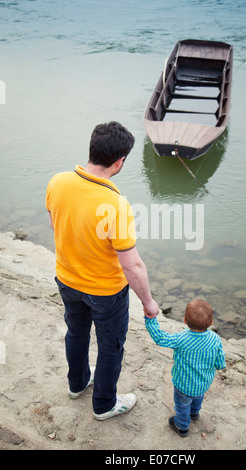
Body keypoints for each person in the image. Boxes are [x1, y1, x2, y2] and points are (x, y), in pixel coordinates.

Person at [46, 121, 159, 421]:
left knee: (77, 334)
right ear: (120, 161)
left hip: (67, 280)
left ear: (92, 149)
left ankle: (77, 383)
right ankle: (104, 404)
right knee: (110, 347)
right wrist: (149, 303)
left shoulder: (57, 182)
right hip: (105, 292)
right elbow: (132, 265)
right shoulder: (116, 204)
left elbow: (55, 224)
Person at [144, 299, 226, 437]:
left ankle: (182, 426)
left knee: (182, 406)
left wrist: (150, 319)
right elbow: (220, 359)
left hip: (183, 385)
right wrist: (219, 365)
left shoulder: (182, 339)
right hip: (203, 383)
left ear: (184, 321)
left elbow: (160, 338)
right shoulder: (215, 339)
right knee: (198, 398)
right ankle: (194, 414)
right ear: (211, 323)